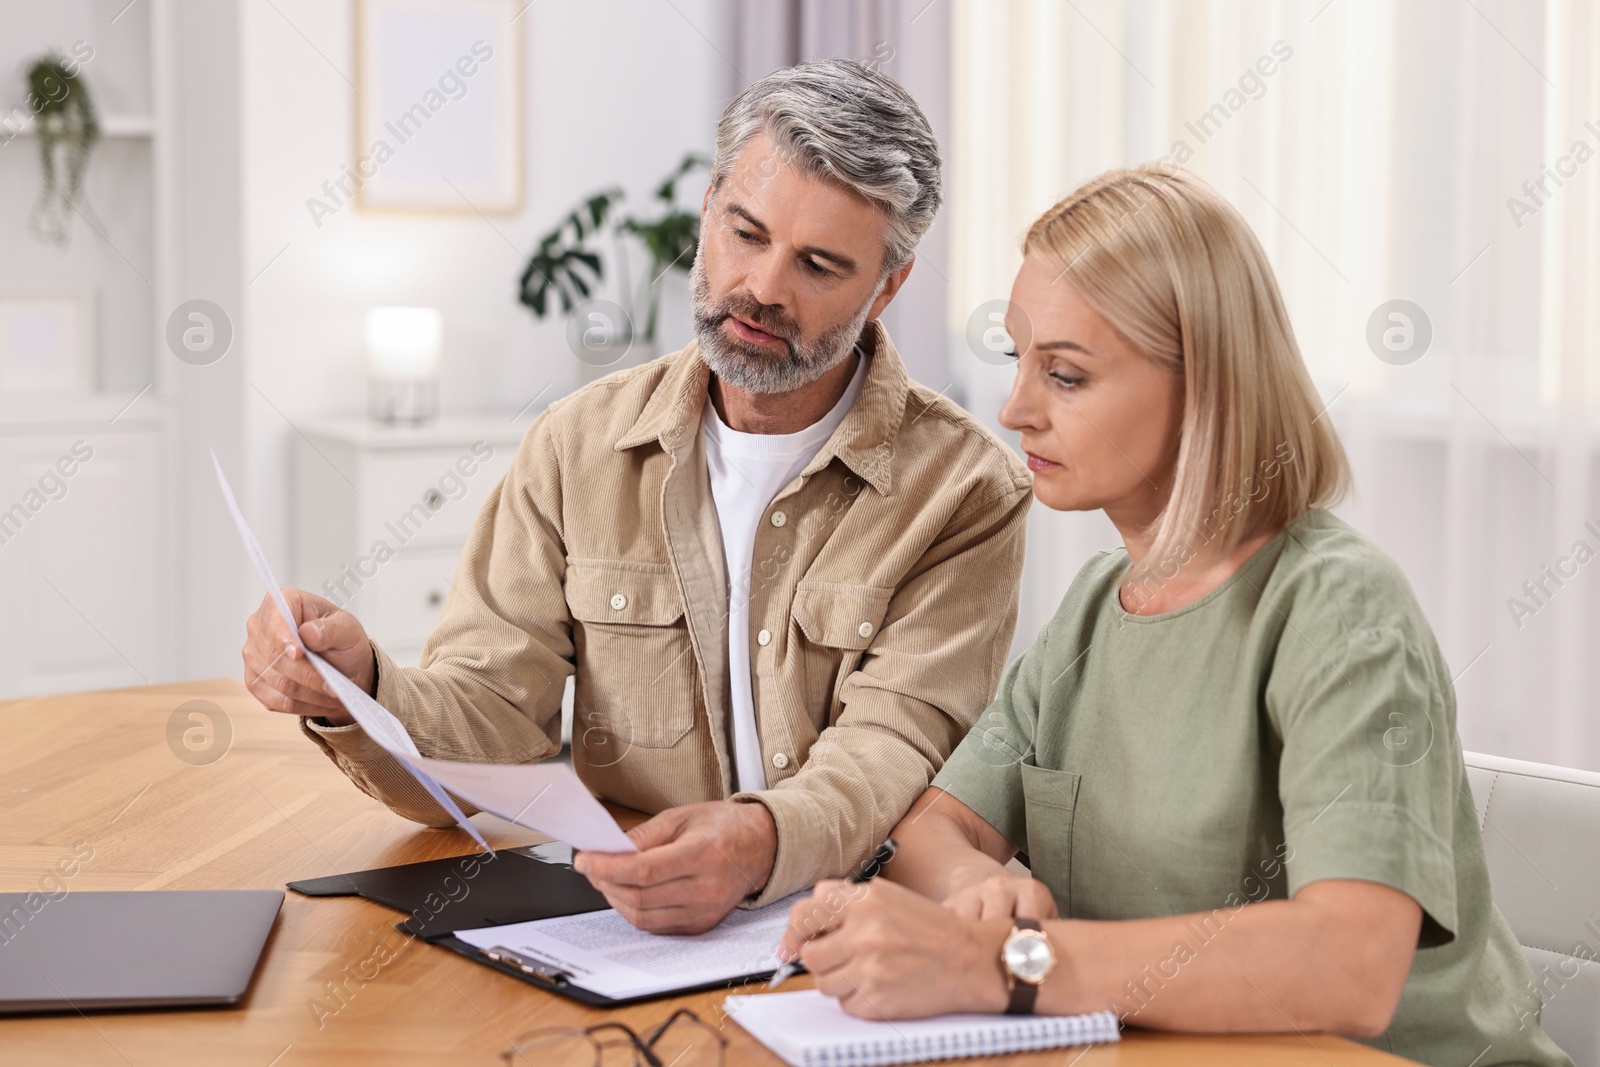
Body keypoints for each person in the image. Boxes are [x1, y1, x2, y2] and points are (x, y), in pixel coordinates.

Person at [777, 166, 1572, 1067]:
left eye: (1066, 375)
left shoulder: (1339, 609)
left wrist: (1003, 959)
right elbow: (933, 827)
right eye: (1018, 362)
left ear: (1207, 386)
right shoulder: (1091, 612)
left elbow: (1352, 962)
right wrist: (973, 894)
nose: (1014, 410)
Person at [239, 60, 1032, 935]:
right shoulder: (577, 446)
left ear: (888, 285)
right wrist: (363, 688)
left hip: (855, 934)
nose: (765, 287)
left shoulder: (965, 490)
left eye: (818, 264)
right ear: (707, 209)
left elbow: (894, 747)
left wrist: (760, 841)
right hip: (624, 927)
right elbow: (494, 722)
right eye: (746, 232)